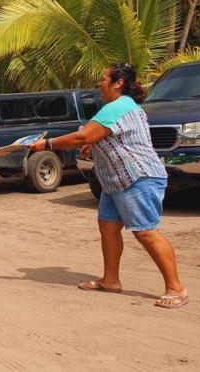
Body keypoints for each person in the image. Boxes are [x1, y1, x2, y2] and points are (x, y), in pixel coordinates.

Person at [28, 63, 187, 309]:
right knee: (108, 228)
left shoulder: (119, 106)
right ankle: (110, 280)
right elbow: (105, 136)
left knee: (145, 232)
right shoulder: (118, 107)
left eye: (103, 78)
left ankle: (176, 288)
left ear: (118, 83)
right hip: (116, 181)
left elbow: (84, 135)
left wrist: (48, 144)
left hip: (137, 178)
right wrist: (94, 144)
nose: (99, 83)